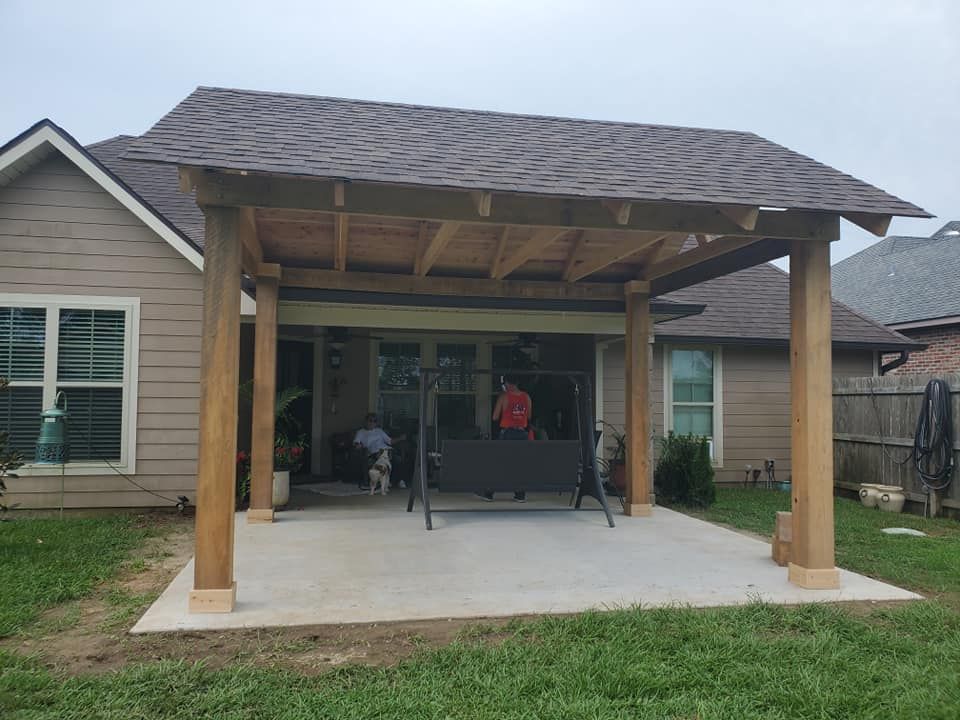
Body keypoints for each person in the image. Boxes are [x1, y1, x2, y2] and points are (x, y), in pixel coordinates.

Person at [480, 375, 531, 502]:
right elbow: (529, 416)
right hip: (522, 434)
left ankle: (489, 493)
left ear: (507, 383)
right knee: (520, 464)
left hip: (507, 434)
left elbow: (495, 417)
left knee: (499, 463)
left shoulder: (504, 396)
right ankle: (520, 494)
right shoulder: (527, 397)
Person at [354, 413, 405, 490]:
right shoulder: (361, 432)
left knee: (397, 459)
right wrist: (359, 446)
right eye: (370, 420)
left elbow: (390, 441)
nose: (372, 423)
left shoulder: (379, 431)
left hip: (386, 449)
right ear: (366, 421)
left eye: (374, 421)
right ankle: (388, 481)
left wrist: (400, 438)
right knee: (386, 458)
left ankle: (398, 480)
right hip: (374, 452)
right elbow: (356, 442)